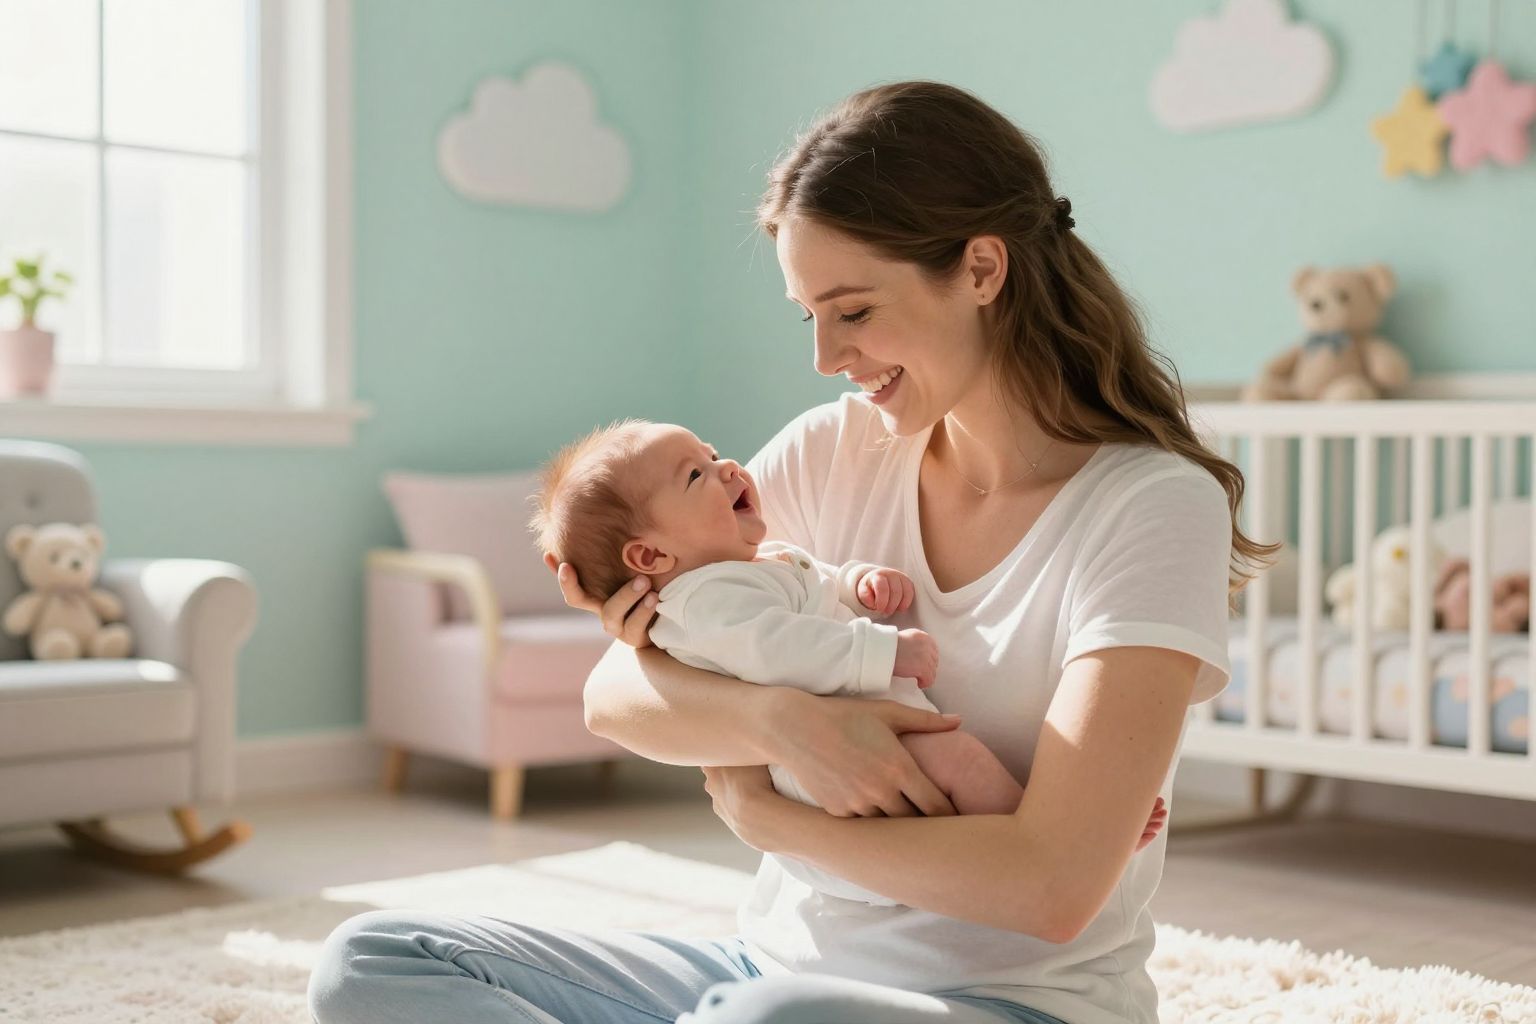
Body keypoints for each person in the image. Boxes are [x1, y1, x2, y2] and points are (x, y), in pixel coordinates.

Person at [308, 79, 1269, 1024]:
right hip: (760, 969)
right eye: (809, 316)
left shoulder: (1150, 506)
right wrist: (784, 724)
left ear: (982, 269)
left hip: (1009, 1004)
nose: (825, 358)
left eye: (853, 311)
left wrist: (770, 818)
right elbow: (615, 693)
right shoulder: (831, 450)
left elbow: (1053, 888)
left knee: (772, 1021)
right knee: (374, 960)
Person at [522, 418, 1170, 907]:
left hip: (850, 766)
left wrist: (856, 581)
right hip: (826, 774)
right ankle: (1077, 830)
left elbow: (811, 579)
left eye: (713, 455)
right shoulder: (705, 599)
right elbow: (779, 646)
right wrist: (882, 649)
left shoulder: (745, 564)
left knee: (963, 774)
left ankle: (1074, 832)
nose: (727, 469)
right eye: (696, 476)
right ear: (650, 558)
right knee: (964, 765)